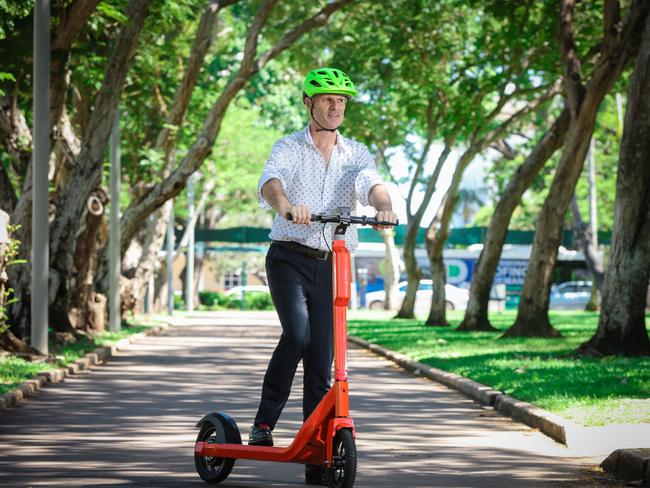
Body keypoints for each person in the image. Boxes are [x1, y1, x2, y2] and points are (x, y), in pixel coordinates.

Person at [251, 67, 398, 485]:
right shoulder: (289, 146)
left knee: (323, 360)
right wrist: (284, 206)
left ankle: (317, 447)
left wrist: (383, 207)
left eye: (341, 102)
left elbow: (373, 184)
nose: (335, 107)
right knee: (297, 335)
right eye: (327, 100)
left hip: (334, 261)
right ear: (309, 104)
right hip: (289, 257)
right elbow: (271, 182)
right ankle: (264, 423)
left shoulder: (356, 153)